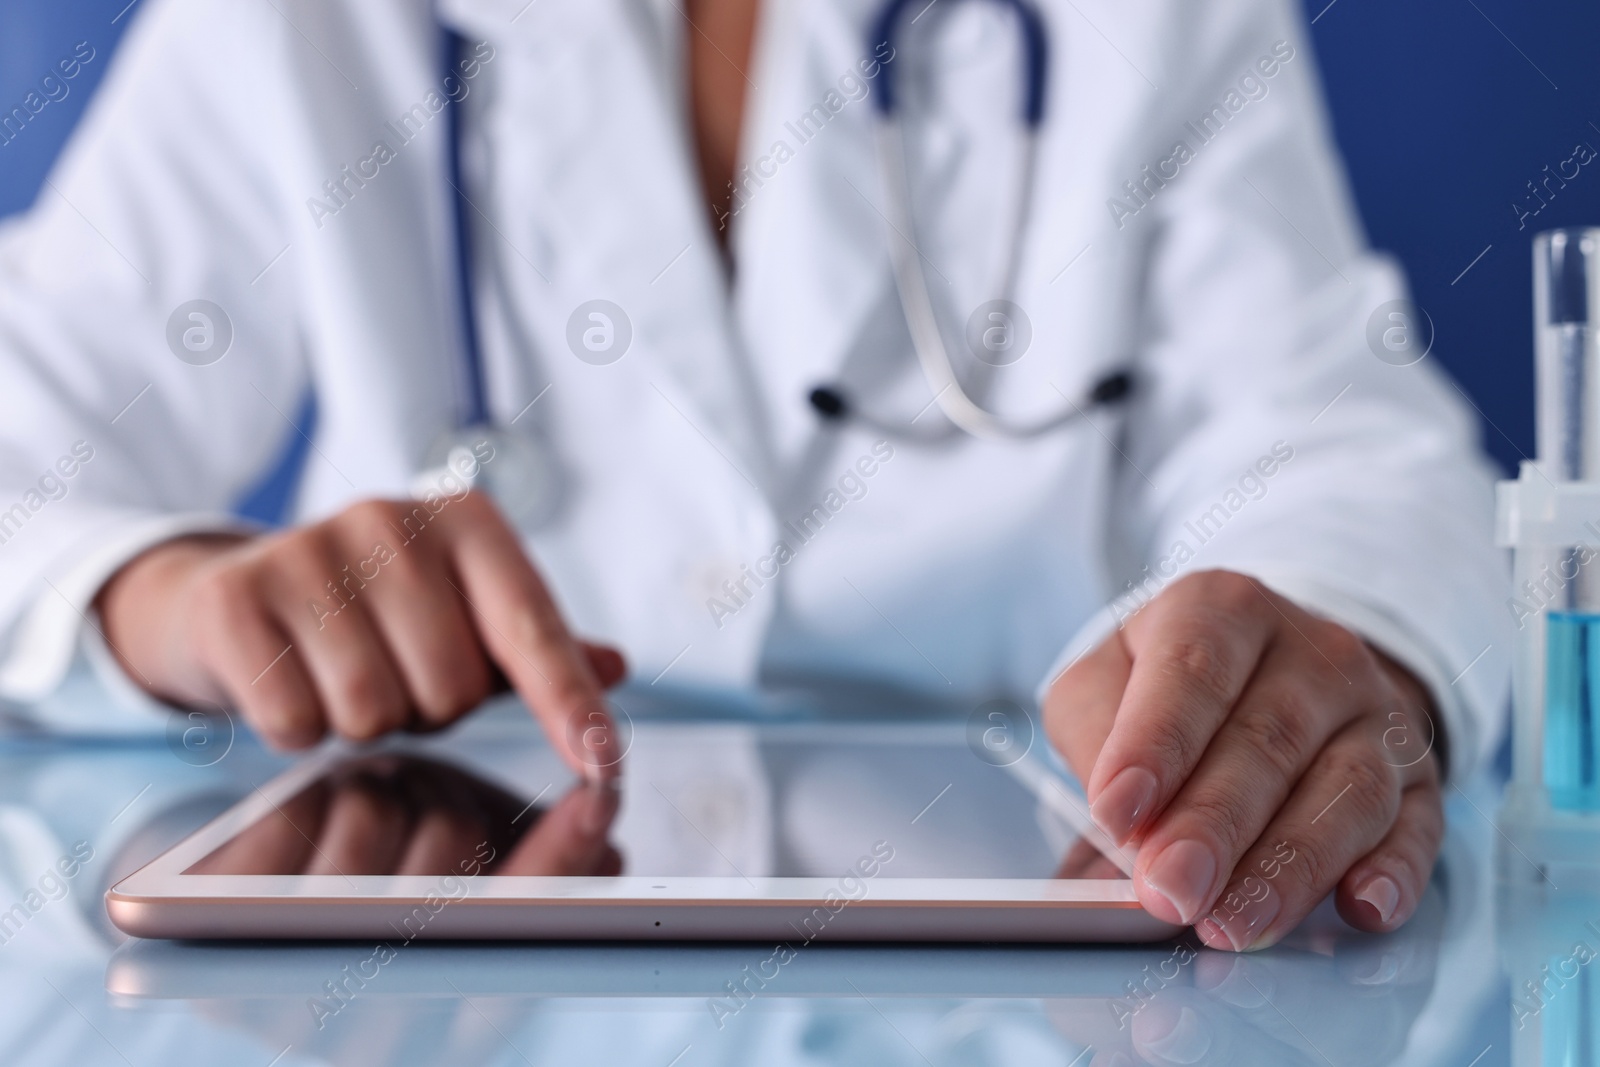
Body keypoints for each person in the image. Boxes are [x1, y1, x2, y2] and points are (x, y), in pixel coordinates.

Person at [0, 0, 1508, 952]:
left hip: (1032, 988)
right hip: (454, 990)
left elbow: (1341, 441)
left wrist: (1324, 653)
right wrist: (155, 597)